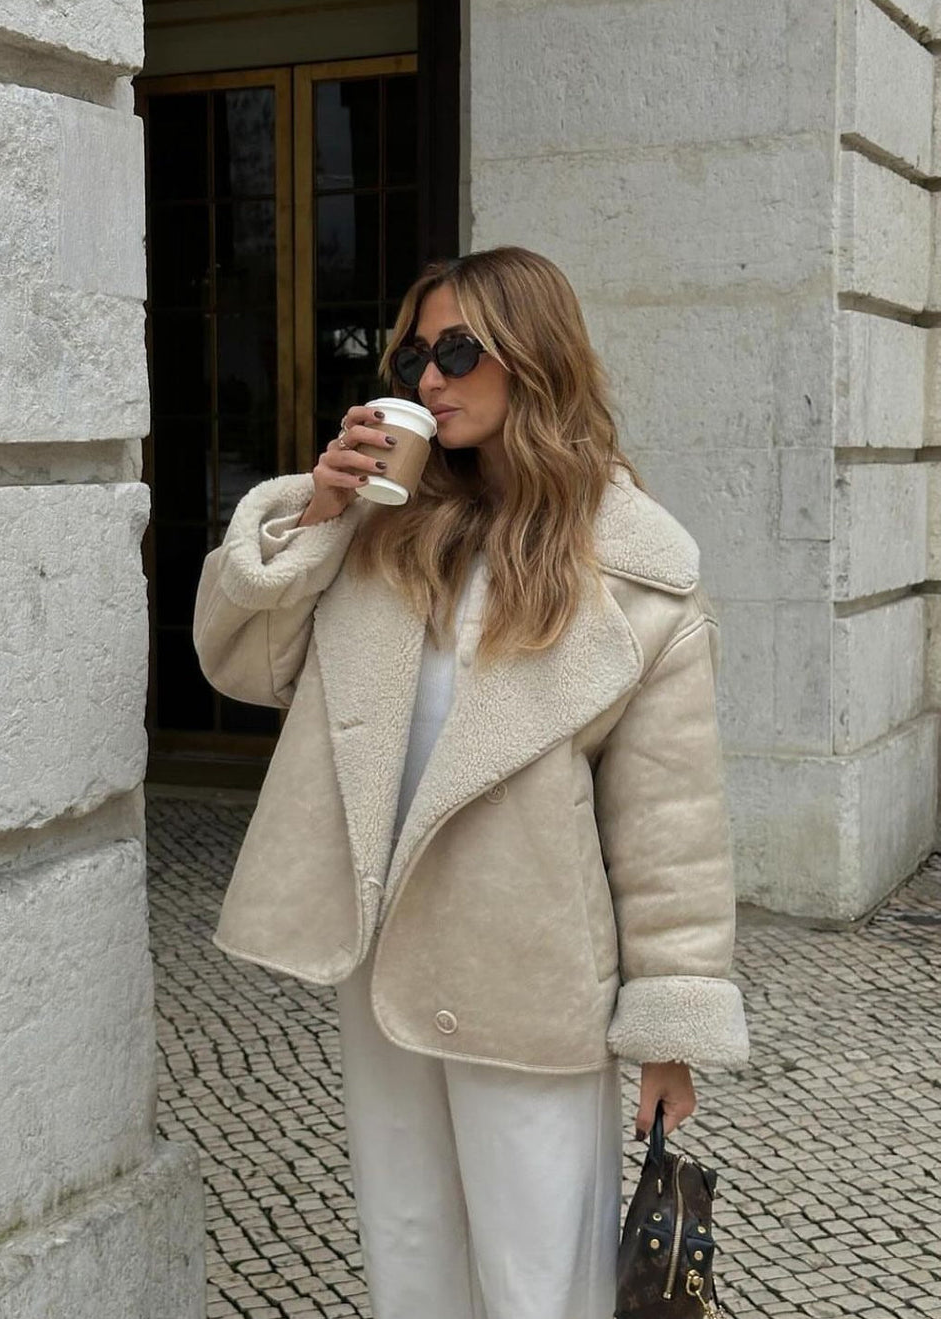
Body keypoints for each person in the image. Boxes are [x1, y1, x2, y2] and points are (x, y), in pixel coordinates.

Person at [192, 245, 750, 1319]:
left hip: (530, 973)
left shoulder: (636, 574)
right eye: (414, 354)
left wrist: (669, 1032)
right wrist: (317, 510)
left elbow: (671, 823)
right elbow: (241, 666)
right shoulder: (378, 530)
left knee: (540, 1272)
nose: (429, 379)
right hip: (383, 958)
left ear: (534, 359)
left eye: (457, 350)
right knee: (410, 1250)